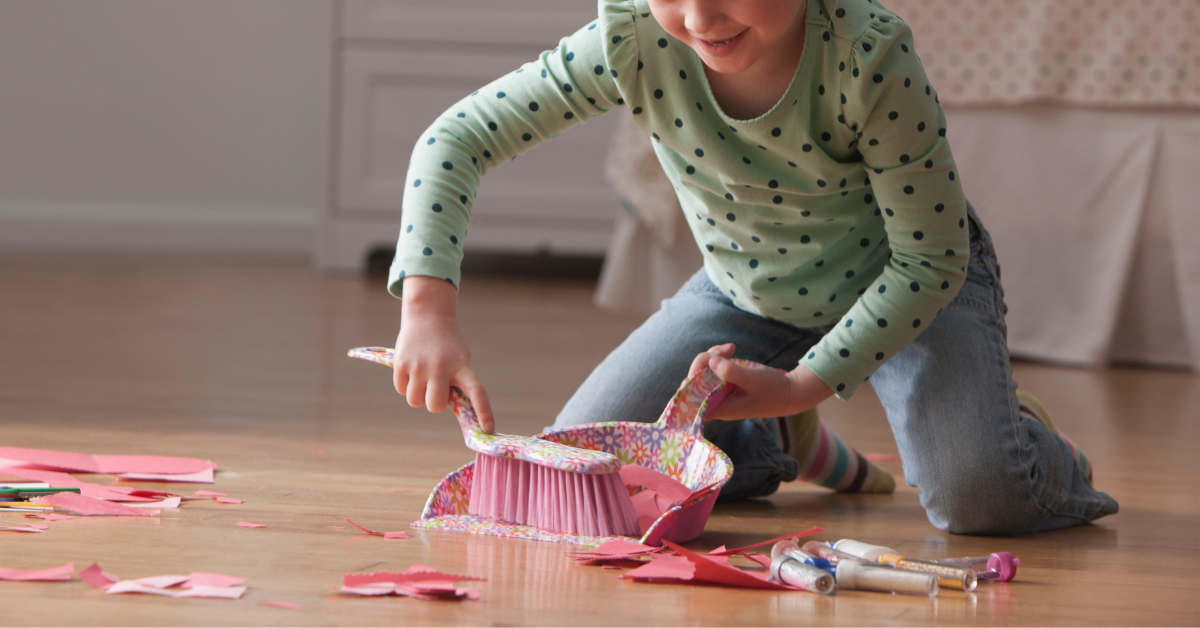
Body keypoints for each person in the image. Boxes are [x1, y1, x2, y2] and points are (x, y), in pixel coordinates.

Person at [386, 0, 1118, 534]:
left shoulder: (870, 56)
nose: (701, 17)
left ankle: (1026, 445)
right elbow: (457, 139)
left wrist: (804, 384)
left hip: (913, 289)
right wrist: (427, 312)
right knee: (602, 473)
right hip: (746, 293)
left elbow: (930, 259)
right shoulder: (633, 37)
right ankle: (778, 442)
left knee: (977, 498)